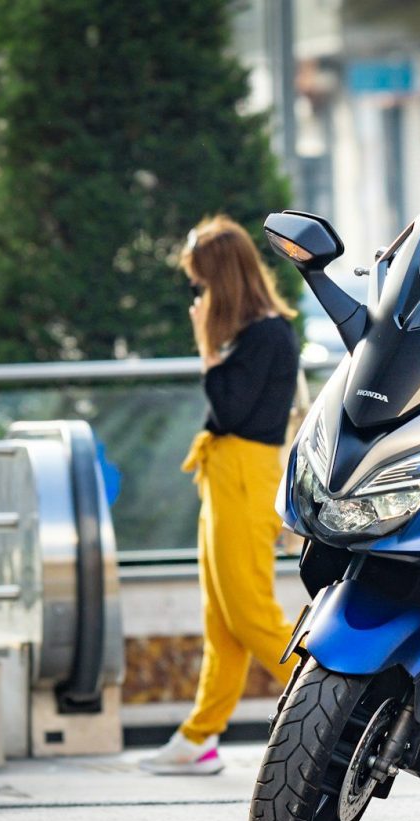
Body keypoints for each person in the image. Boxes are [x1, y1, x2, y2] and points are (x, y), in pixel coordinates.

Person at [140, 215, 300, 775]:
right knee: (222, 619)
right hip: (227, 472)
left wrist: (207, 348)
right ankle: (198, 738)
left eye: (203, 281)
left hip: (243, 475)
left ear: (223, 280)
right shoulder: (258, 333)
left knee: (251, 613)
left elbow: (232, 411)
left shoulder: (266, 335)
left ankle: (335, 708)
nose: (199, 293)